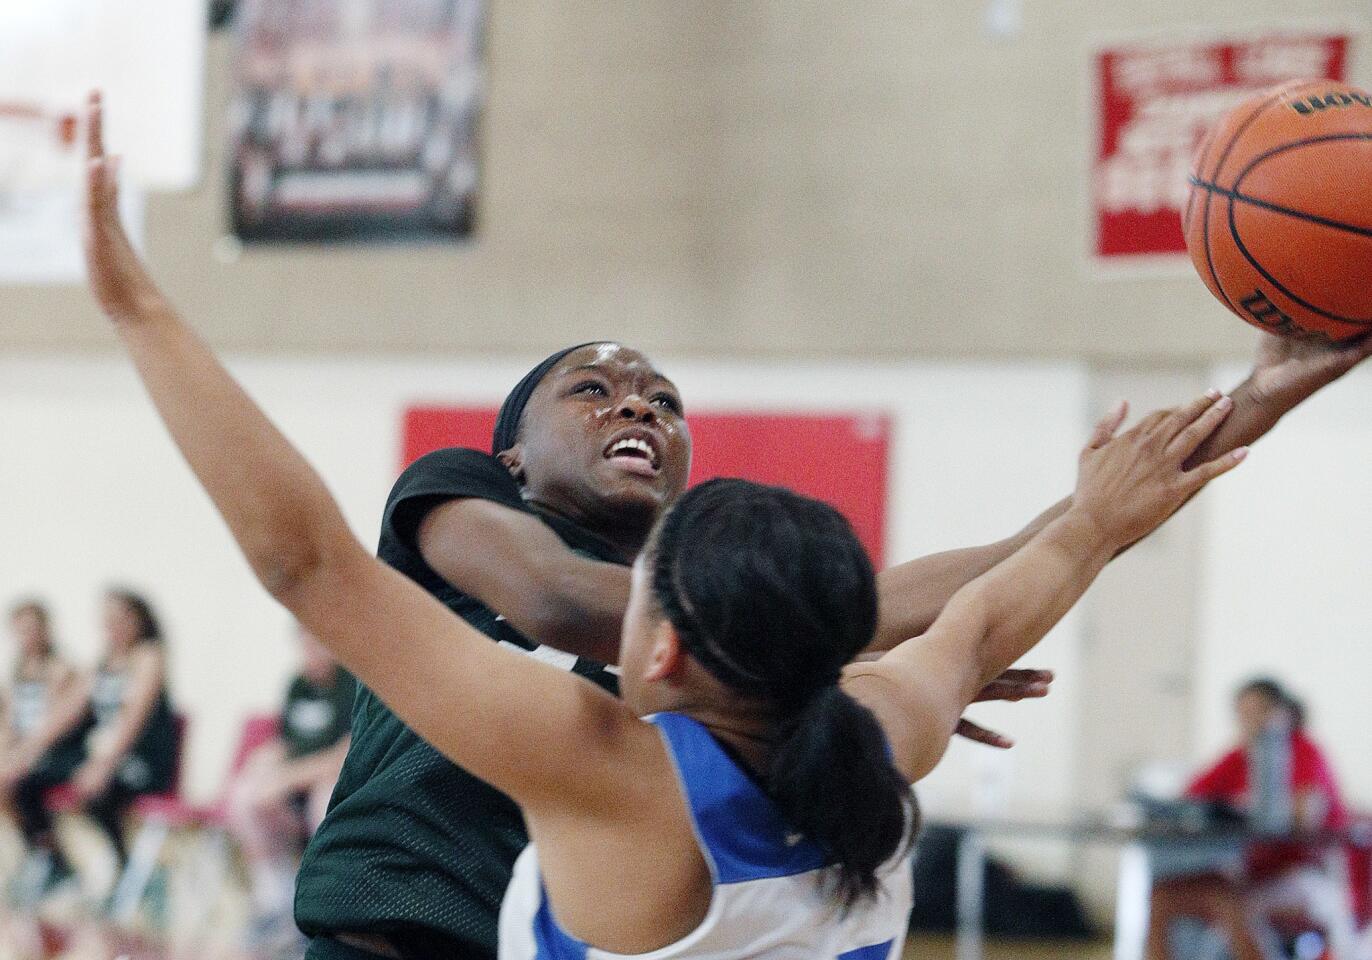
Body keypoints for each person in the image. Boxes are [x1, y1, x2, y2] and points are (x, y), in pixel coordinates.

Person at [81, 91, 1252, 958]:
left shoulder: (603, 759)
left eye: (662, 399)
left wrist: (136, 305)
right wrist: (1074, 528)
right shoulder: (467, 508)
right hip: (398, 918)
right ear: (511, 452)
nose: (635, 401)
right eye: (591, 390)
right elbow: (560, 603)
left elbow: (302, 561)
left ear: (673, 642)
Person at [1147, 678, 1351, 960]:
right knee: (1163, 897)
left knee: (1227, 901)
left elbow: (1304, 813)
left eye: (1260, 712)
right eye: (1244, 714)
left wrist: (1244, 805)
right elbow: (1190, 801)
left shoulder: (1302, 750)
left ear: (1283, 714)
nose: (1252, 722)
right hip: (1250, 872)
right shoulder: (1239, 756)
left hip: (1301, 873)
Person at [8, 588, 177, 886]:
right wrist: (24, 752)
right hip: (107, 757)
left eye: (118, 619)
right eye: (106, 621)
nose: (111, 627)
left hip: (142, 759)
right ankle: (54, 861)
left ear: (137, 620)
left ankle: (133, 871)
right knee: (26, 785)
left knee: (98, 791)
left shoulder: (149, 655)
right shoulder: (101, 663)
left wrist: (104, 764)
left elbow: (132, 719)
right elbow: (64, 714)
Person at [225, 628, 355, 947]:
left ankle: (322, 906)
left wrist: (285, 778)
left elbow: (345, 754)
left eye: (315, 642)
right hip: (295, 790)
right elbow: (286, 741)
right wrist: (264, 760)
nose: (308, 651)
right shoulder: (298, 685)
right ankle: (275, 900)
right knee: (245, 793)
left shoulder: (350, 685)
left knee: (327, 797)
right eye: (303, 643)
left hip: (329, 787)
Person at [0, 600, 85, 897]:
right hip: (25, 751)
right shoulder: (18, 670)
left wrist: (19, 758)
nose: (27, 637)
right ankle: (41, 853)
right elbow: (10, 723)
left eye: (31, 629)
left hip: (56, 753)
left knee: (17, 784)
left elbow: (50, 727)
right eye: (20, 631)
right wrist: (6, 753)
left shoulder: (61, 669)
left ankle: (51, 857)